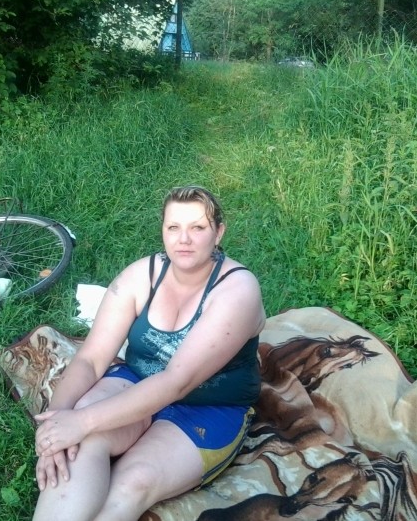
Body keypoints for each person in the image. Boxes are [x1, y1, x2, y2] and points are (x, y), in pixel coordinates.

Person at [32, 186, 266, 521]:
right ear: (163, 231)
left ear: (218, 233)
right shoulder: (142, 275)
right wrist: (54, 427)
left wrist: (81, 421)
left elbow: (176, 382)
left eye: (197, 228)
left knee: (132, 483)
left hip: (209, 405)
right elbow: (90, 359)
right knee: (78, 446)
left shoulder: (237, 289)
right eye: (174, 227)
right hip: (137, 379)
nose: (183, 239)